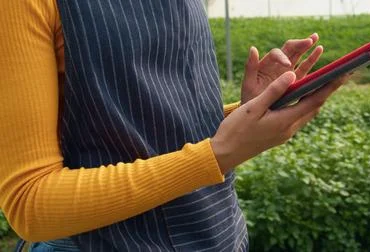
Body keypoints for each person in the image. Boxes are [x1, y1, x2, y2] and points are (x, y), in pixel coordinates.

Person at [0, 0, 348, 251]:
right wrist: (218, 154)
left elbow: (158, 119)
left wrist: (246, 113)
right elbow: (30, 204)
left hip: (218, 235)